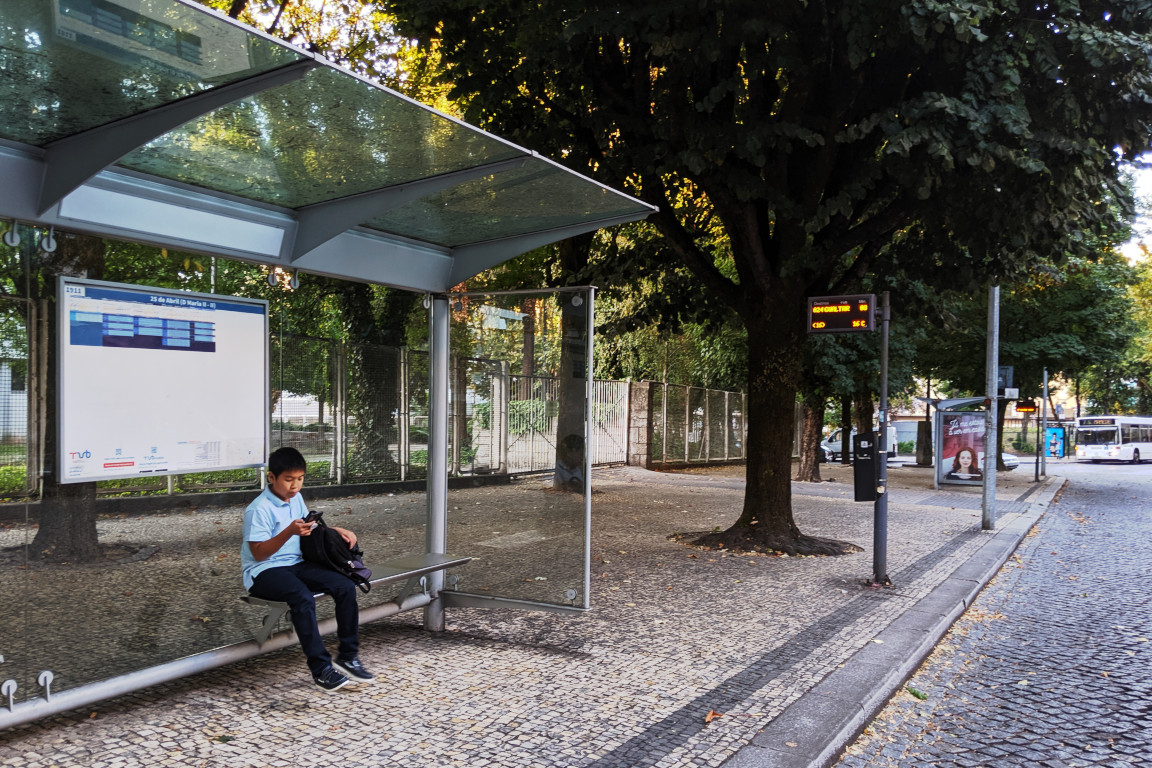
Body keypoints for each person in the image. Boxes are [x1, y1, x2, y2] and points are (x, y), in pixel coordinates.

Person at [242, 447, 374, 692]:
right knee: (301, 597)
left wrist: (335, 530)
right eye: (289, 479)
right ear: (272, 477)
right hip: (263, 572)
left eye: (300, 479)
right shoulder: (258, 509)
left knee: (345, 585)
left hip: (295, 564)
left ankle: (348, 656)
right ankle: (321, 669)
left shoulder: (296, 499)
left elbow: (308, 527)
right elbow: (258, 553)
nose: (295, 486)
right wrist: (288, 532)